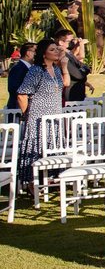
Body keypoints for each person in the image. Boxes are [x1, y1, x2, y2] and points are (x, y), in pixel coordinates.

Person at [15, 38, 68, 191]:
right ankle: (33, 183)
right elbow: (22, 94)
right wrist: (28, 115)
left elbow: (65, 84)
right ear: (44, 54)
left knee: (53, 147)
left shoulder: (56, 69)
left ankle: (50, 180)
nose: (57, 52)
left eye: (57, 49)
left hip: (55, 117)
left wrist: (64, 66)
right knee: (37, 149)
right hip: (38, 118)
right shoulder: (36, 70)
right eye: (53, 50)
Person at [54, 29, 91, 103]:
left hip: (77, 91)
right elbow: (78, 75)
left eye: (73, 40)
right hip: (70, 92)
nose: (72, 42)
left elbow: (84, 67)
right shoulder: (62, 55)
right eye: (69, 41)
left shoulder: (68, 53)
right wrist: (83, 70)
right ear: (61, 42)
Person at [7, 42, 36, 110]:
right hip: (18, 109)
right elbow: (14, 89)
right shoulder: (17, 69)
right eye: (36, 51)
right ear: (28, 53)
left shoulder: (32, 68)